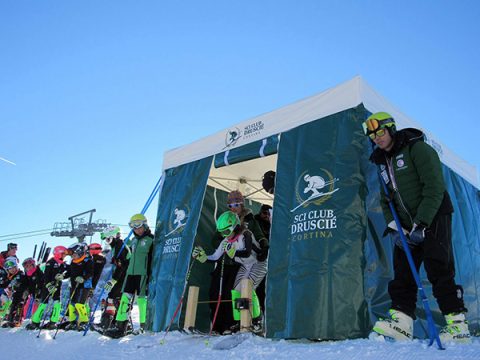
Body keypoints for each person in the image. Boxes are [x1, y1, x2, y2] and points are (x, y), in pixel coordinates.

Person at [363, 112, 471, 343]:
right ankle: (402, 323)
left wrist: (422, 224)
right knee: (402, 271)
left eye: (380, 132)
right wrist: (396, 229)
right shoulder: (381, 162)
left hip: (433, 216)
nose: (377, 138)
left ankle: (457, 325)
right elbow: (386, 200)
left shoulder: (417, 150)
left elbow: (434, 187)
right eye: (372, 135)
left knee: (438, 267)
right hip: (405, 225)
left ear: (391, 128)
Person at [193, 211, 267, 333]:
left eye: (226, 232)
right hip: (246, 265)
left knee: (248, 289)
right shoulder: (225, 241)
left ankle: (257, 319)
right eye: (221, 233)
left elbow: (248, 252)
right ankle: (241, 321)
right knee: (236, 291)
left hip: (258, 263)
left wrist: (234, 253)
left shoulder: (246, 234)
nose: (225, 236)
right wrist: (204, 257)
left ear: (236, 226)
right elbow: (216, 257)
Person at [105, 214, 153, 338]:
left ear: (145, 224)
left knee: (142, 300)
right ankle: (121, 327)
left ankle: (144, 326)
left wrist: (150, 274)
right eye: (133, 225)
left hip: (142, 274)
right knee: (125, 299)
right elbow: (124, 252)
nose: (136, 228)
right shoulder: (133, 241)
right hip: (130, 274)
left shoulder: (151, 240)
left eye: (138, 224)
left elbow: (154, 259)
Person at [26, 245, 70, 330]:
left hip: (57, 286)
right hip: (47, 286)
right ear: (58, 253)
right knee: (43, 303)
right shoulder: (51, 262)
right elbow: (46, 276)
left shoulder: (63, 264)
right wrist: (49, 285)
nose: (64, 256)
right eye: (63, 254)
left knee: (57, 303)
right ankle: (35, 321)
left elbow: (69, 272)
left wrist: (63, 276)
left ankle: (53, 322)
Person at [96, 226, 130, 331]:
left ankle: (118, 323)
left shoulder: (120, 245)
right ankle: (109, 322)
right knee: (112, 297)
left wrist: (114, 280)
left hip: (124, 276)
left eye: (108, 239)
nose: (107, 242)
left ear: (114, 236)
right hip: (121, 275)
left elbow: (122, 265)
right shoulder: (116, 246)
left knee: (115, 297)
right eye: (106, 240)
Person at [58, 243, 94, 331]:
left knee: (80, 304)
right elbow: (70, 272)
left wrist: (83, 278)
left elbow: (90, 272)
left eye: (75, 255)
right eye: (72, 255)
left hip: (84, 285)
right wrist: (63, 276)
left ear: (80, 252)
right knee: (72, 303)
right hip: (74, 285)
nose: (73, 257)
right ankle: (72, 322)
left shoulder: (87, 261)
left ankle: (84, 322)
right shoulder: (73, 262)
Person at [254, 204, 272, 314]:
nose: (267, 216)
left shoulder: (272, 224)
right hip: (256, 260)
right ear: (260, 212)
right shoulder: (255, 221)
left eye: (269, 213)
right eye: (264, 213)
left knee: (265, 289)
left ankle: (264, 313)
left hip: (268, 261)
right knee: (257, 289)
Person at [1, 257, 29, 327]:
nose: (13, 270)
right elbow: (5, 284)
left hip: (22, 294)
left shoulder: (20, 274)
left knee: (19, 306)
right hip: (15, 295)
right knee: (12, 306)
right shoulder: (8, 276)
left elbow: (19, 283)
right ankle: (10, 320)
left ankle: (18, 320)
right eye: (10, 269)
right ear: (7, 270)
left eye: (14, 267)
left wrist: (14, 287)